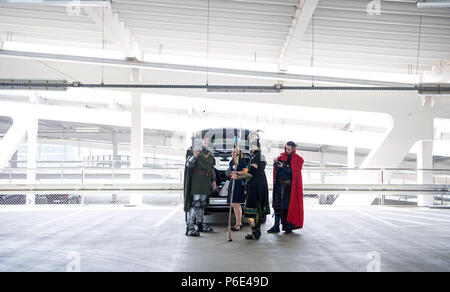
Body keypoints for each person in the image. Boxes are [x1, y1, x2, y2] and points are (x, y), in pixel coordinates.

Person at [232, 134, 270, 240]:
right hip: (258, 185)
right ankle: (255, 232)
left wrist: (238, 176)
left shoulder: (258, 156)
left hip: (256, 186)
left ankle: (255, 232)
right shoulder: (257, 156)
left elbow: (251, 172)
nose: (250, 148)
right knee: (256, 210)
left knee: (251, 211)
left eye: (251, 146)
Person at [184, 134, 218, 237]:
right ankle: (190, 227)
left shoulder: (209, 152)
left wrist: (214, 181)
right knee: (196, 203)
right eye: (205, 139)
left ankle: (199, 224)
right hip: (197, 182)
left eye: (208, 140)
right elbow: (188, 164)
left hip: (205, 181)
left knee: (202, 204)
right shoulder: (192, 150)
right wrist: (194, 156)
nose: (207, 141)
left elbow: (211, 168)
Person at [268, 141, 304, 234]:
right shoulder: (281, 156)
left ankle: (288, 226)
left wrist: (284, 166)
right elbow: (277, 169)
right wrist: (276, 163)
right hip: (279, 186)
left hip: (289, 188)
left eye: (289, 149)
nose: (287, 150)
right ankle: (276, 226)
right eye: (286, 148)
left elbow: (294, 173)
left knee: (287, 207)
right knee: (277, 206)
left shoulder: (298, 160)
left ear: (293, 149)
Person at [226, 148, 247, 232]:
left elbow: (245, 172)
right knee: (235, 204)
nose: (233, 153)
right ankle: (239, 223)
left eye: (234, 152)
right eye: (232, 152)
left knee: (235, 203)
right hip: (232, 182)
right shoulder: (231, 162)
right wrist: (230, 173)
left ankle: (238, 224)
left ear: (238, 153)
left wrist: (237, 173)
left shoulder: (242, 161)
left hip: (238, 183)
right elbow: (230, 172)